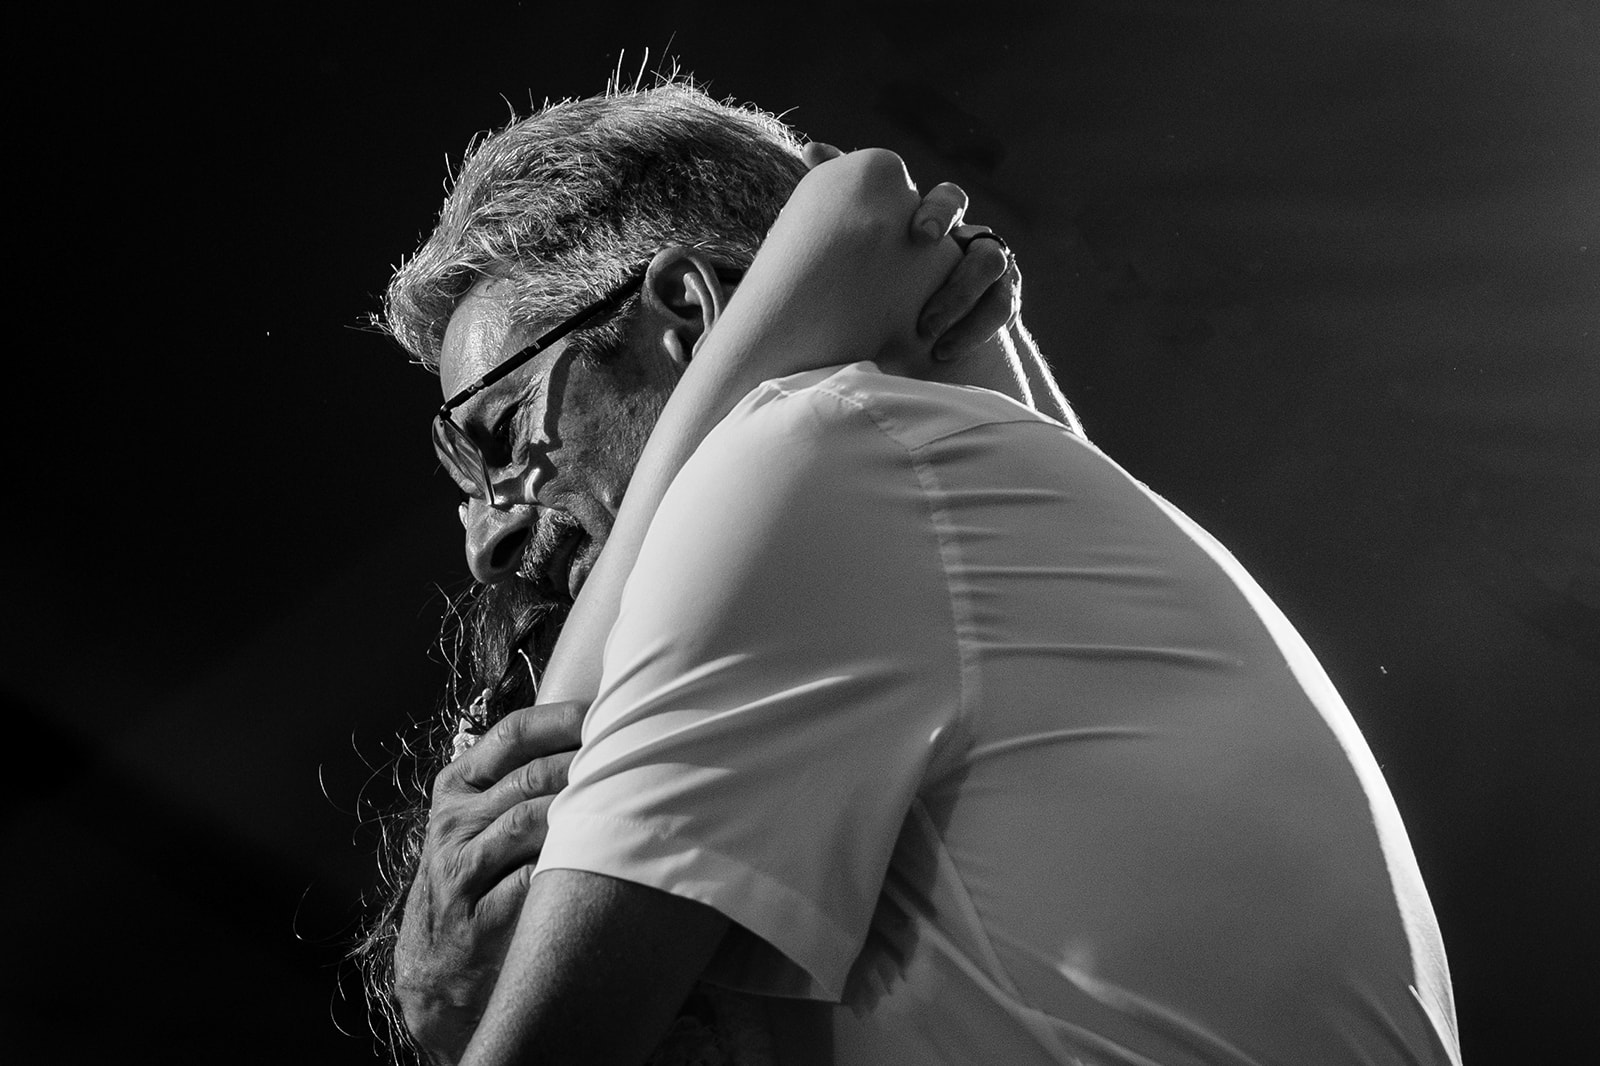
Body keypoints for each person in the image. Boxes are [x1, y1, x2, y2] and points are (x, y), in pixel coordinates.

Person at [377, 82, 1463, 1065]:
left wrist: (455, 1009)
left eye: (501, 434)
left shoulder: (807, 449)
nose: (487, 538)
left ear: (689, 318)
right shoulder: (947, 486)